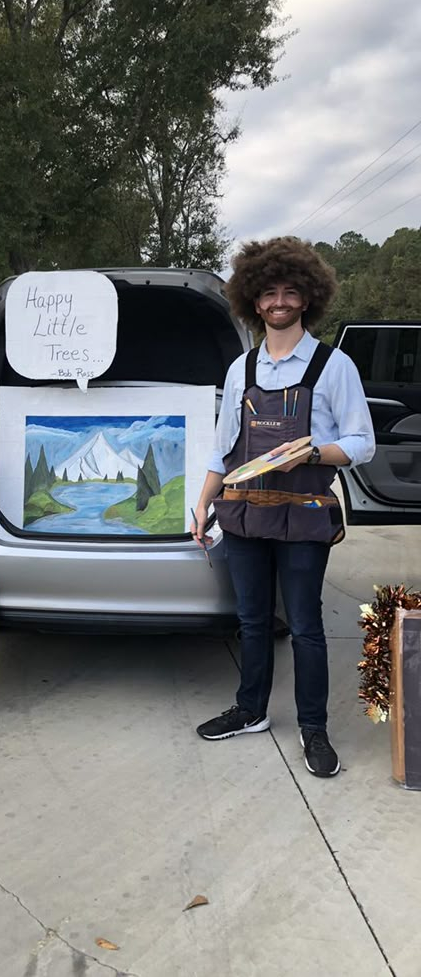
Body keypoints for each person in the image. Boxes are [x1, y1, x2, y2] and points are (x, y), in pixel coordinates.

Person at [191, 236, 375, 777]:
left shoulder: (333, 366)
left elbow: (363, 442)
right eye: (268, 292)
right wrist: (202, 505)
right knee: (251, 622)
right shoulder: (240, 370)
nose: (278, 302)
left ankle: (313, 728)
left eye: (289, 292)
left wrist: (315, 451)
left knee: (305, 626)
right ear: (252, 300)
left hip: (306, 516)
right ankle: (251, 710)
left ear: (307, 298)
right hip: (244, 515)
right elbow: (222, 449)